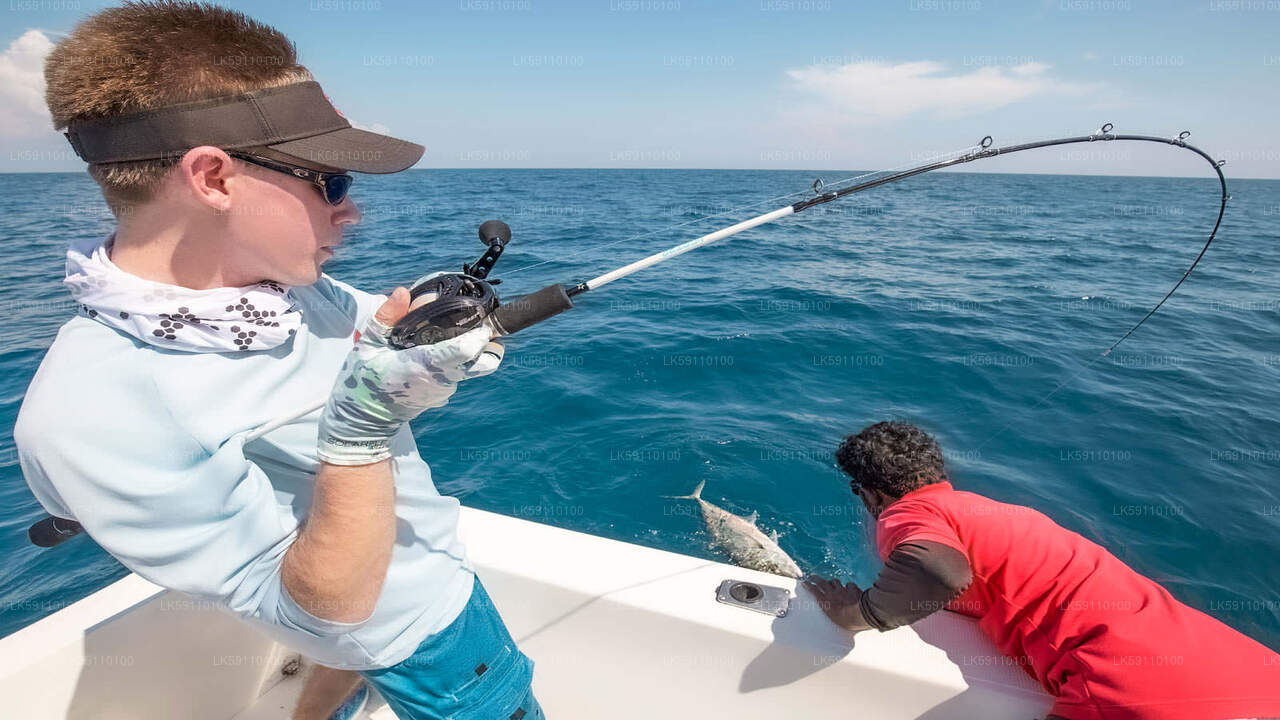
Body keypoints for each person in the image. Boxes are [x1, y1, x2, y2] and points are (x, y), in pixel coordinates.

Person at [14, 3, 542, 719]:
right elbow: (328, 615)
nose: (351, 212)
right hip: (428, 629)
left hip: (389, 592)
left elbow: (373, 330)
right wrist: (362, 429)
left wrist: (447, 338)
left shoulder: (281, 288)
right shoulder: (86, 414)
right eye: (331, 180)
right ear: (214, 177)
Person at [805, 420, 1280, 720]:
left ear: (869, 493)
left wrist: (858, 614)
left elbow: (937, 570)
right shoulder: (999, 514)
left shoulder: (906, 514)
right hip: (1249, 674)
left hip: (1128, 691)